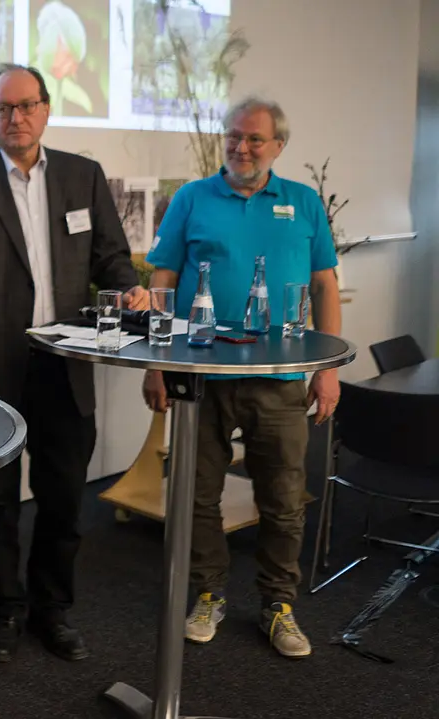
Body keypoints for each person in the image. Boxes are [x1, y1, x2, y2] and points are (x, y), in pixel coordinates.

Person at [0, 63, 149, 665]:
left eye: (26, 105)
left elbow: (110, 259)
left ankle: (52, 608)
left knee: (63, 495)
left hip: (66, 363)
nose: (16, 118)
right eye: (3, 108)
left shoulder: (82, 177)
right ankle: (4, 609)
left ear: (47, 109)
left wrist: (127, 290)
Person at [142, 96, 340, 659]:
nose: (241, 147)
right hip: (199, 374)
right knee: (196, 494)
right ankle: (209, 592)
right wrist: (157, 362)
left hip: (279, 378)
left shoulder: (302, 203)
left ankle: (279, 603)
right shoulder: (192, 197)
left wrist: (326, 371)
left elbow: (325, 285)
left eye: (255, 139)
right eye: (234, 136)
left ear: (279, 146)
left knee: (282, 497)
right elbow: (163, 278)